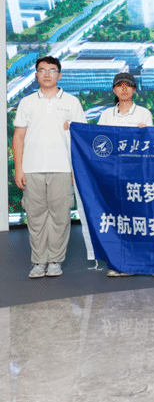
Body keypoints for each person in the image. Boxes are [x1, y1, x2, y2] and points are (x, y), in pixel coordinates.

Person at [13, 57, 86, 278]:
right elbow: (19, 136)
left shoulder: (72, 102)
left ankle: (55, 260)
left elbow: (80, 137)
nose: (47, 74)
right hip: (32, 168)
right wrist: (19, 169)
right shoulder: (27, 102)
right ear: (36, 75)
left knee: (60, 217)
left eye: (52, 70)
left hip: (63, 168)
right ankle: (38, 261)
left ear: (59, 75)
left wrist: (76, 169)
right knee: (35, 217)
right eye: (42, 70)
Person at [98, 73, 154, 276]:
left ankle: (134, 262)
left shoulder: (144, 114)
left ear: (134, 89)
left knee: (134, 218)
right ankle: (116, 262)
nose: (124, 89)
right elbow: (98, 143)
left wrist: (145, 133)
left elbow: (150, 145)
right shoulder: (106, 115)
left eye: (128, 86)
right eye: (119, 86)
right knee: (115, 219)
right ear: (114, 90)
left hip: (135, 175)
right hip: (112, 174)